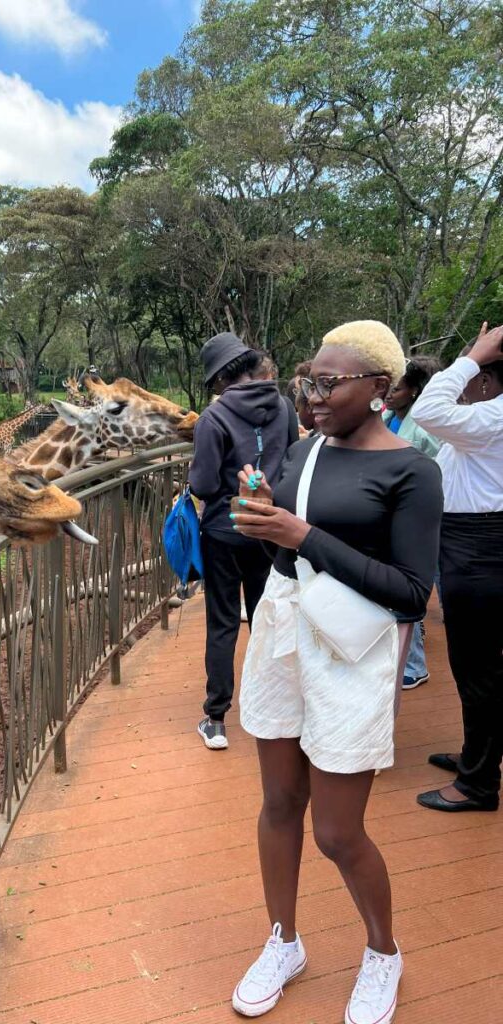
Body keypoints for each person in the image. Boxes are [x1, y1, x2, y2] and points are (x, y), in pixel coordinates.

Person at [229, 321, 443, 1023]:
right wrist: (265, 522)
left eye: (330, 382)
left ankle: (383, 951)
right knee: (280, 804)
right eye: (308, 380)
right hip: (286, 637)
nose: (314, 395)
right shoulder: (302, 451)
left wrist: (303, 535)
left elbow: (411, 591)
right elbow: (291, 567)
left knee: (337, 833)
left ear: (379, 389)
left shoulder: (411, 470)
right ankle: (283, 941)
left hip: (352, 657)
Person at [189, 332, 298, 750]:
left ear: (220, 379)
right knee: (267, 616)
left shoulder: (212, 419)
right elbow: (291, 461)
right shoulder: (285, 406)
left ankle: (216, 718)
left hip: (224, 530)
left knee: (222, 622)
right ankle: (274, 707)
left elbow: (201, 483)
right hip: (270, 527)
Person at [410, 322, 503, 813]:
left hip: (480, 546)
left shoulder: (494, 415)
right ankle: (477, 757)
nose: (461, 376)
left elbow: (426, 410)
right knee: (477, 665)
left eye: (471, 369)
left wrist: (473, 354)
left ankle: (479, 784)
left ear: (486, 379)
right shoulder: (482, 421)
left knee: (478, 667)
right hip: (474, 541)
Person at [383, 355, 443, 690]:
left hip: (417, 517)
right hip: (395, 513)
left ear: (415, 391)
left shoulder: (424, 430)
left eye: (398, 387)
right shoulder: (390, 417)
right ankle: (410, 652)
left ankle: (415, 665)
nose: (391, 393)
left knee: (411, 585)